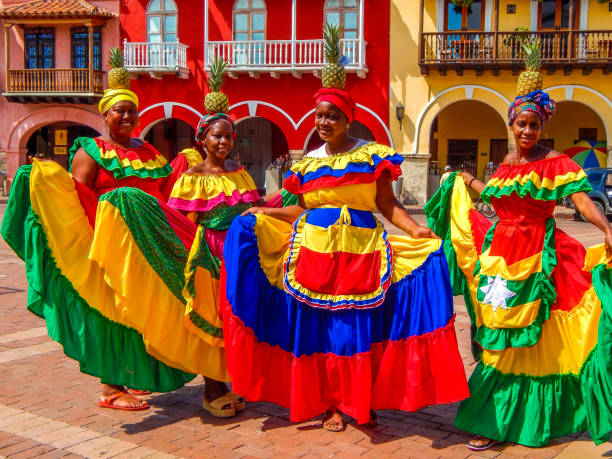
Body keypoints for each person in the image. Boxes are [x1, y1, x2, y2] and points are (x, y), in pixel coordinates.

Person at [220, 85, 470, 432]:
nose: (323, 122)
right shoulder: (308, 162)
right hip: (313, 252)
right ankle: (331, 405)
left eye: (331, 116)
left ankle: (360, 399)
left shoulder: (372, 155)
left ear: (347, 119)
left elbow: (386, 204)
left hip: (361, 252)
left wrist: (414, 229)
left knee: (356, 330)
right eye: (319, 115)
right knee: (320, 330)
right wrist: (266, 211)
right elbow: (302, 207)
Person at [425, 88, 612, 449]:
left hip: (539, 257)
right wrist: (468, 182)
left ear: (542, 128)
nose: (528, 131)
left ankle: (521, 419)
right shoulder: (508, 160)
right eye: (522, 124)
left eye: (535, 125)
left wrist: (606, 228)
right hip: (500, 256)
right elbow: (500, 200)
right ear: (511, 124)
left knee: (540, 337)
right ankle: (492, 418)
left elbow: (582, 201)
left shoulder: (555, 161)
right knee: (499, 336)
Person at [1, 75, 197, 411]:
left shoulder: (148, 151)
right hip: (111, 244)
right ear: (105, 115)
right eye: (119, 111)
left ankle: (135, 372)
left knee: (142, 310)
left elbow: (166, 194)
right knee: (113, 311)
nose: (126, 118)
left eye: (132, 112)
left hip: (149, 248)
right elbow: (78, 198)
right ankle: (110, 387)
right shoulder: (91, 151)